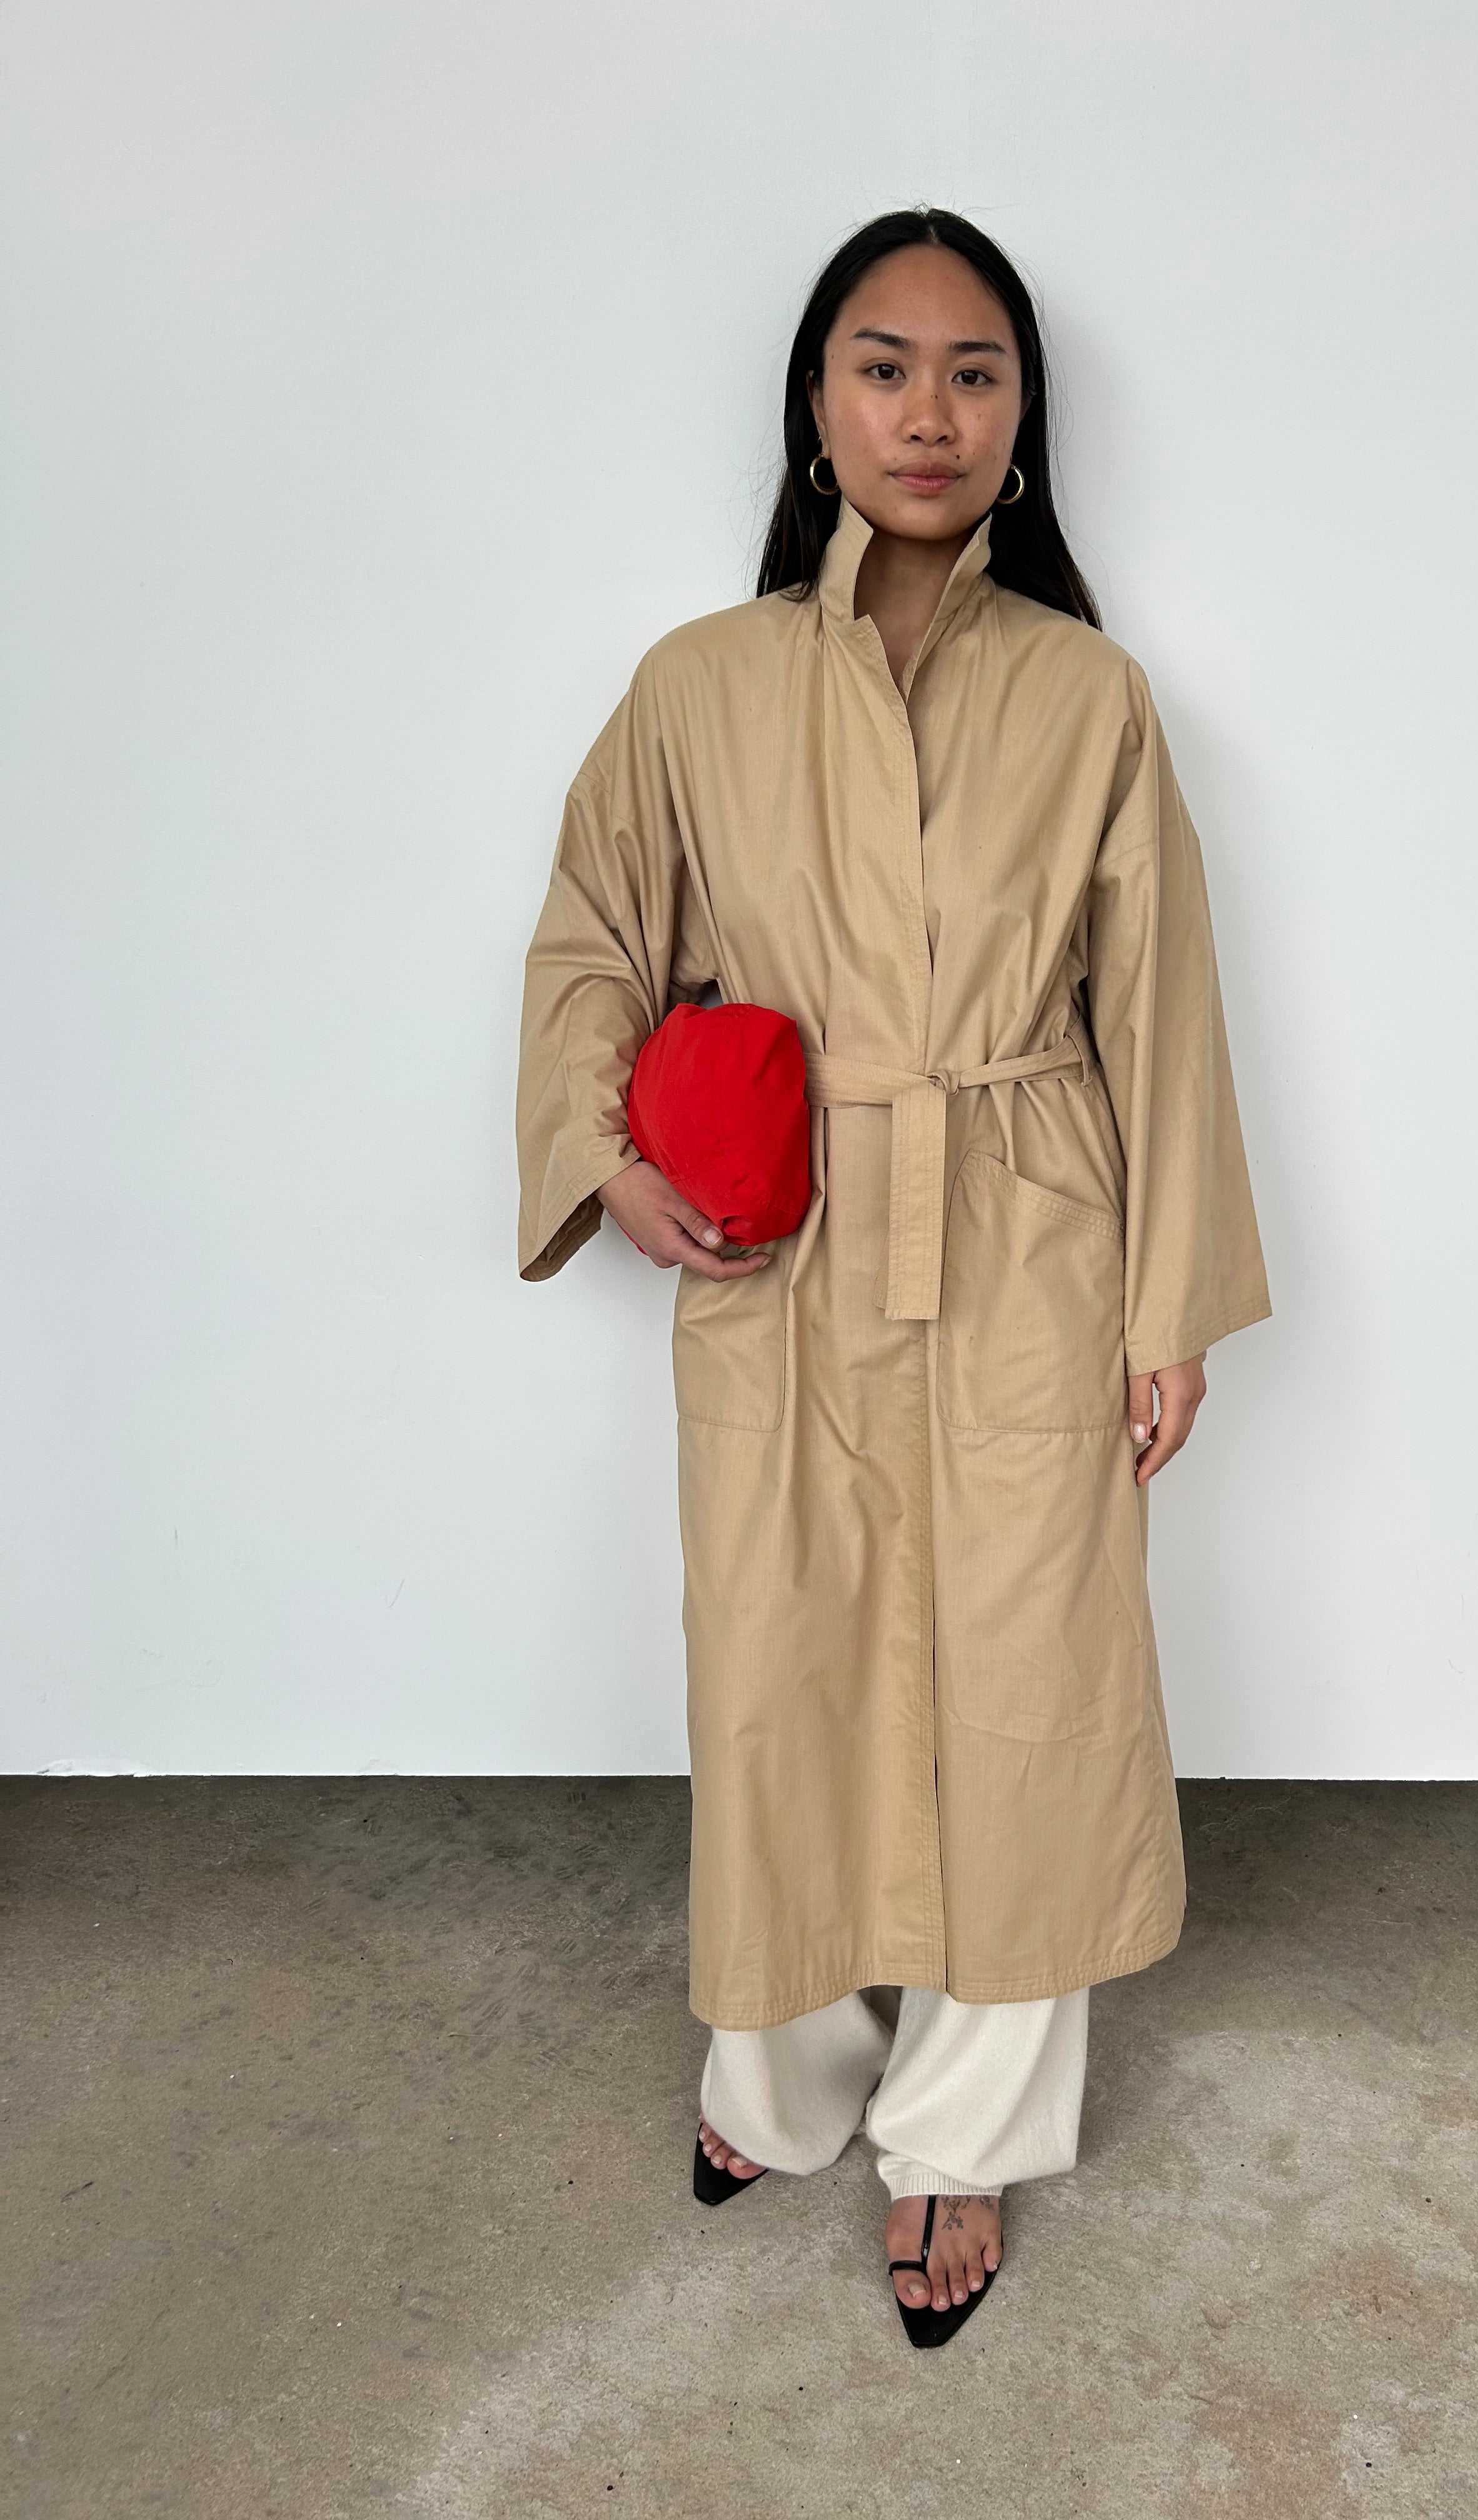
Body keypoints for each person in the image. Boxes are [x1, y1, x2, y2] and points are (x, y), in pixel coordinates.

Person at [514, 206, 1271, 2344]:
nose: (928, 412)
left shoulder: (1090, 694)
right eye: (883, 364)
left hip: (1029, 1225)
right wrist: (606, 1161)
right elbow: (594, 935)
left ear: (1025, 417)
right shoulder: (701, 685)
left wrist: (1166, 1307)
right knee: (781, 1663)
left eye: (974, 370)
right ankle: (780, 2071)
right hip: (786, 1244)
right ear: (816, 402)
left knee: (1028, 1686)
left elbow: (1164, 1012)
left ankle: (964, 2134)